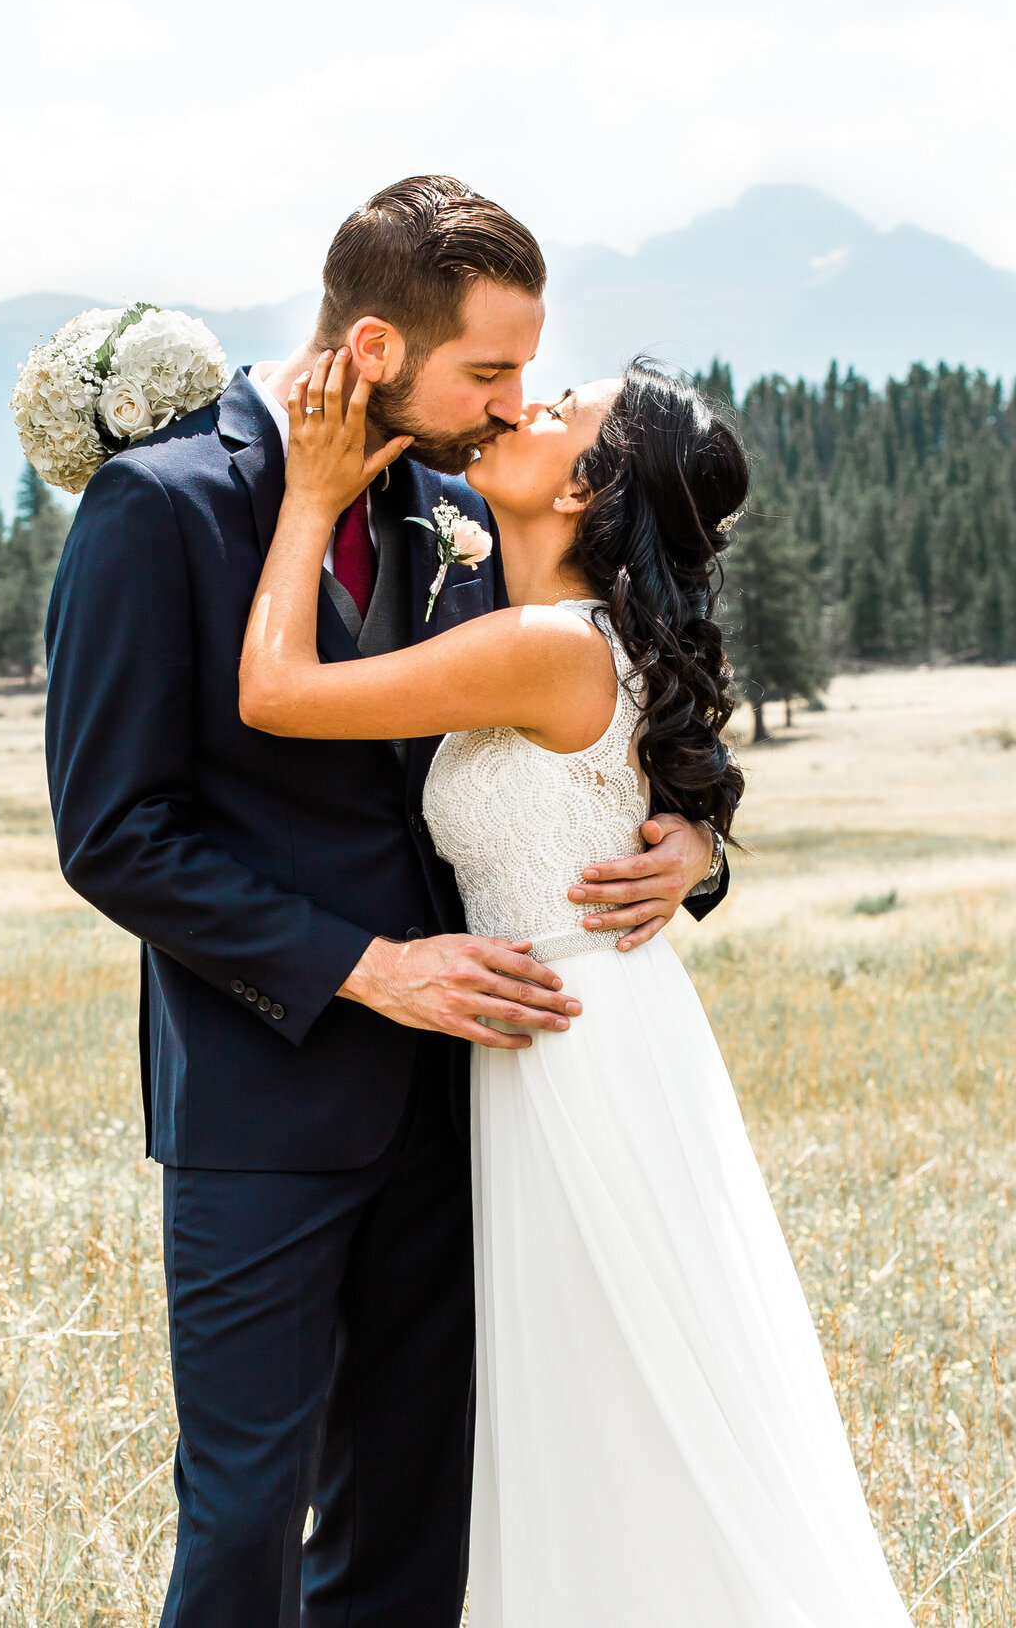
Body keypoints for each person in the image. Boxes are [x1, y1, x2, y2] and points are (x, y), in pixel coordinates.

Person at [44, 175, 724, 1628]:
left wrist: (694, 845)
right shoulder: (157, 506)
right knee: (242, 1515)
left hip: (472, 1100)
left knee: (417, 1516)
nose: (508, 407)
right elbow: (113, 836)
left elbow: (607, 692)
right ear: (372, 350)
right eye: (489, 371)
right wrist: (365, 967)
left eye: (531, 378)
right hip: (263, 1095)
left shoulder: (464, 510)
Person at [238, 349, 914, 1625]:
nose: (522, 405)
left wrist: (312, 497)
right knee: (608, 1391)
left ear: (583, 494)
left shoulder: (549, 644)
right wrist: (696, 836)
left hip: (575, 1051)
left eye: (561, 413)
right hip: (581, 1032)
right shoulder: (553, 626)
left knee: (611, 1385)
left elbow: (274, 691)